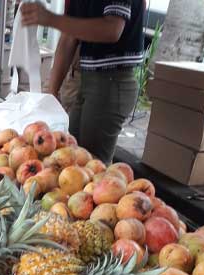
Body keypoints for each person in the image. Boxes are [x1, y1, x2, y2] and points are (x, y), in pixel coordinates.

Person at [20, 0, 143, 164]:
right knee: (70, 157)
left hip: (112, 81)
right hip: (88, 80)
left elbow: (112, 30)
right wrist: (52, 92)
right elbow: (68, 38)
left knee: (92, 166)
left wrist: (51, 19)